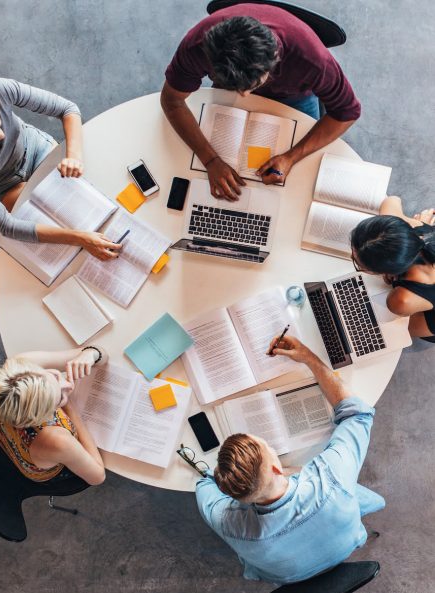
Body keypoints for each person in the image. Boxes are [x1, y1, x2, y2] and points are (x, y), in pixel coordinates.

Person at [195, 335, 384, 586]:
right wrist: (308, 356)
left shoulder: (228, 523)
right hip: (347, 543)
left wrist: (219, 475)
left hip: (287, 578)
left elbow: (204, 485)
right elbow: (357, 414)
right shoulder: (331, 478)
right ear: (276, 467)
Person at [161, 5, 360, 200]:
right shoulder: (197, 45)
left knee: (300, 180)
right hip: (231, 89)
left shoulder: (312, 60)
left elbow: (347, 112)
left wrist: (291, 157)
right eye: (237, 87)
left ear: (275, 59)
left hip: (295, 96)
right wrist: (210, 159)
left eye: (251, 85)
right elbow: (172, 101)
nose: (244, 96)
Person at [0, 77, 120, 260]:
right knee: (52, 223)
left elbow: (68, 109)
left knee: (88, 194)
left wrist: (74, 156)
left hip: (36, 150)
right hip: (3, 186)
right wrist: (80, 239)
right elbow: (7, 226)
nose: (2, 134)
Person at [0, 345, 107, 485]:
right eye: (60, 398)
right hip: (40, 469)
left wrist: (91, 355)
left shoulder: (20, 364)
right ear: (44, 417)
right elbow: (98, 477)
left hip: (6, 436)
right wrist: (70, 407)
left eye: (55, 375)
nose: (69, 386)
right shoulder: (57, 439)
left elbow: (100, 353)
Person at [351, 196, 435, 343]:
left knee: (391, 330)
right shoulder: (411, 229)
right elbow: (392, 200)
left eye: (357, 263)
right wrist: (418, 223)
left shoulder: (401, 300)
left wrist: (395, 282)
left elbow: (401, 326)